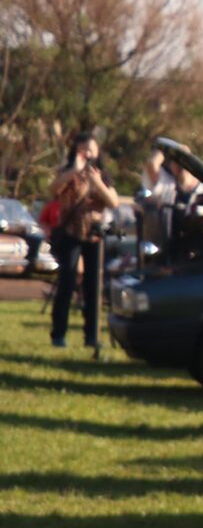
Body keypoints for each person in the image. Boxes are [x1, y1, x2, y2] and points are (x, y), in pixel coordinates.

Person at [48, 129, 120, 358]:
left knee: (92, 287)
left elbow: (114, 202)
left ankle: (91, 335)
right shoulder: (68, 172)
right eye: (83, 149)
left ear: (97, 152)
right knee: (67, 282)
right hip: (71, 234)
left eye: (91, 149)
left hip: (94, 235)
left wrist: (97, 182)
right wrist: (73, 172)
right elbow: (53, 189)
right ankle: (58, 333)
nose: (87, 153)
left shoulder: (103, 175)